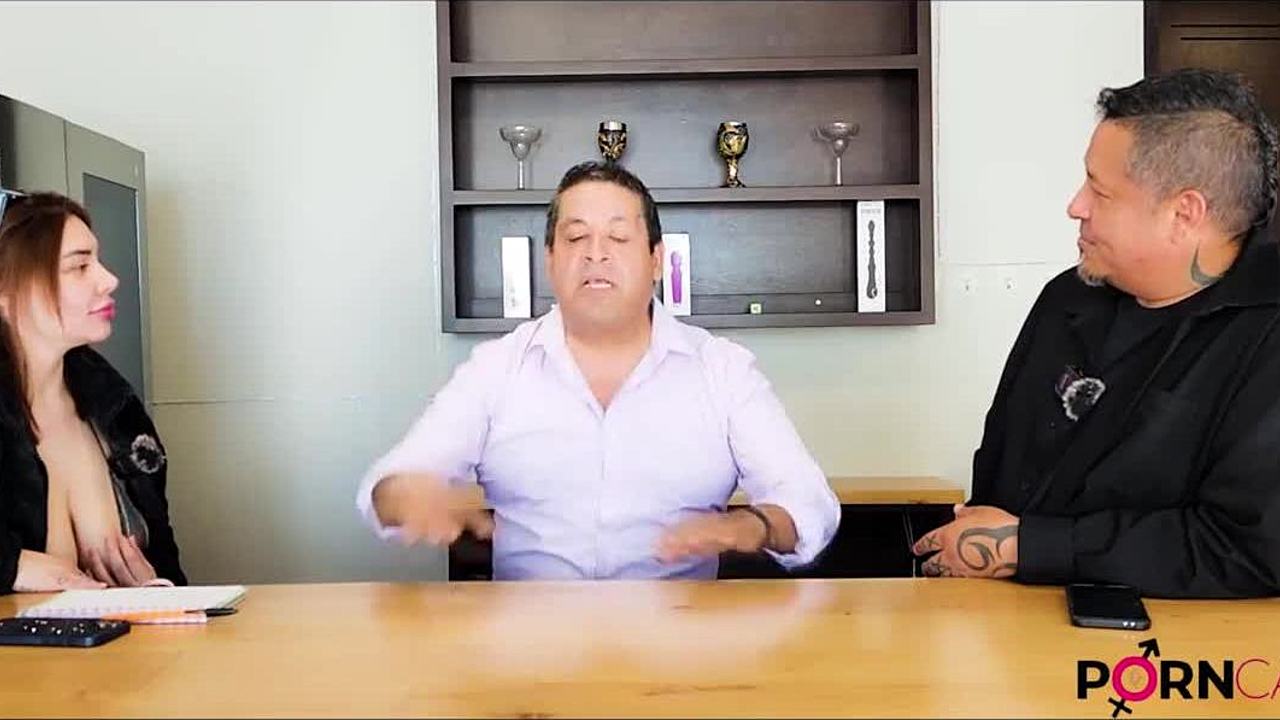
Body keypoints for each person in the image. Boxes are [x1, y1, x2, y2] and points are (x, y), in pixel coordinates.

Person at [358, 161, 839, 580]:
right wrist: (407, 495)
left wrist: (753, 525)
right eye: (575, 237)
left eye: (618, 237)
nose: (595, 253)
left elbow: (809, 502)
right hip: (528, 635)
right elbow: (392, 481)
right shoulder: (497, 367)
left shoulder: (723, 370)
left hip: (679, 636)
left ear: (656, 260)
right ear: (550, 260)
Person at [913, 69, 1280, 598]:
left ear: (1184, 213)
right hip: (1008, 620)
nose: (1075, 206)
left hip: (1175, 645)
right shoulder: (1068, 298)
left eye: (1100, 192)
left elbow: (1248, 548)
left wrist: (1028, 546)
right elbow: (1000, 468)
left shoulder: (1265, 333)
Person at [0, 190, 186, 593]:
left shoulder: (118, 412)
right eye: (79, 266)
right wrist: (10, 566)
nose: (109, 280)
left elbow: (175, 578)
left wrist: (154, 593)